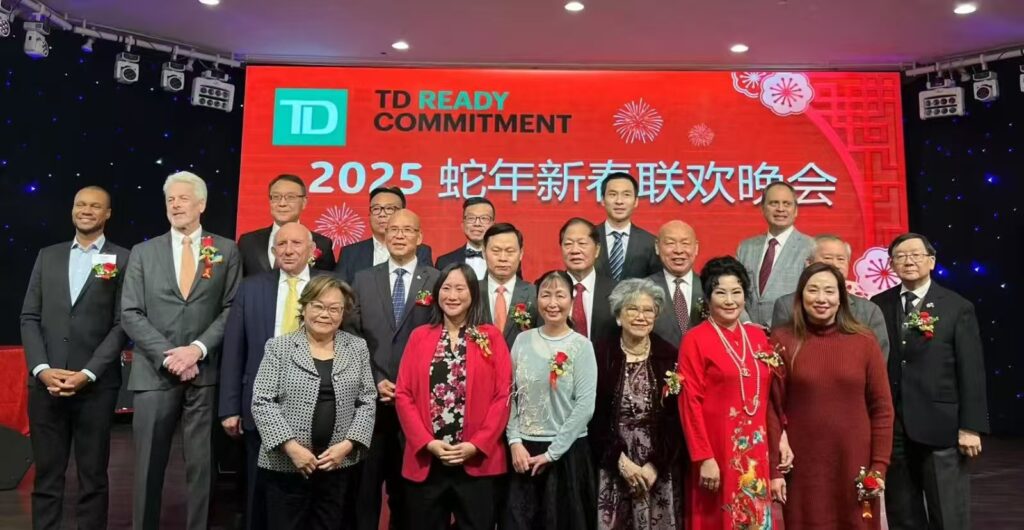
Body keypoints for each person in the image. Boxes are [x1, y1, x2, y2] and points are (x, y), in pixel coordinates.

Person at [120, 171, 241, 530]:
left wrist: (197, 350)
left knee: (202, 466)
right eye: (170, 199)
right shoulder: (143, 252)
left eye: (183, 198)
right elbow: (130, 312)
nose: (175, 205)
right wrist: (171, 355)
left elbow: (232, 308)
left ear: (201, 204)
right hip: (154, 373)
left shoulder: (225, 250)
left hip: (205, 373)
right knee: (147, 466)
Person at [19, 186, 130, 530]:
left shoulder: (123, 259)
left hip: (95, 387)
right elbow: (29, 317)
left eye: (95, 206)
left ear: (107, 214)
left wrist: (88, 373)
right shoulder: (48, 256)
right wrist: (41, 369)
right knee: (47, 477)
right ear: (72, 209)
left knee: (93, 478)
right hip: (46, 386)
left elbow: (122, 323)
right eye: (80, 204)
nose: (86, 210)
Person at [871, 233, 987, 530]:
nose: (908, 261)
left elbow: (971, 369)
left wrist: (970, 426)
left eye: (916, 255)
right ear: (891, 264)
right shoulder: (878, 304)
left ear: (931, 261)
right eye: (900, 256)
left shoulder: (956, 306)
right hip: (894, 427)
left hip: (941, 425)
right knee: (902, 513)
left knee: (948, 515)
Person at [219, 222, 329, 530]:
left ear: (312, 250)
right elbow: (235, 348)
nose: (288, 250)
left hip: (319, 408)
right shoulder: (251, 287)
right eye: (281, 244)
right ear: (273, 251)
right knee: (259, 496)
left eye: (296, 243)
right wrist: (229, 407)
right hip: (261, 406)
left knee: (313, 499)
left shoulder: (329, 285)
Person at [769, 262, 894, 528]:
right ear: (800, 296)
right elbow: (772, 407)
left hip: (854, 460)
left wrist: (879, 466)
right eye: (813, 290)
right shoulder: (781, 340)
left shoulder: (864, 341)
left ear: (841, 298)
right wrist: (773, 468)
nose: (821, 298)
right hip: (802, 464)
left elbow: (882, 408)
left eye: (829, 291)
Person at [251, 275, 377, 530]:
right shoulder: (279, 347)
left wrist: (348, 445)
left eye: (334, 308)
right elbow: (262, 401)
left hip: (337, 465)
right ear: (305, 306)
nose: (325, 314)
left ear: (343, 313)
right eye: (318, 306)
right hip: (286, 466)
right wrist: (292, 448)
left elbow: (367, 400)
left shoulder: (357, 347)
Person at [394, 264, 513, 529]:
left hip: (477, 460)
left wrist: (477, 444)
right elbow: (403, 394)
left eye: (460, 288)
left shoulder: (491, 336)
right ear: (437, 293)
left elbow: (503, 395)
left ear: (473, 293)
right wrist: (427, 443)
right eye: (446, 288)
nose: (452, 295)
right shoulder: (419, 336)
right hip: (428, 459)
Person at [348, 208, 441, 530]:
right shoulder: (363, 279)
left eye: (407, 230)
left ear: (420, 237)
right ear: (384, 235)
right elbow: (352, 336)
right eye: (393, 229)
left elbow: (438, 337)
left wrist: (407, 385)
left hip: (418, 405)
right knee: (365, 492)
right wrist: (375, 380)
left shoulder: (436, 280)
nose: (399, 235)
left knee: (410, 496)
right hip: (370, 404)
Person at [678, 256, 779, 530]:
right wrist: (703, 457)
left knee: (755, 518)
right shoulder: (695, 339)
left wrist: (780, 440)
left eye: (737, 292)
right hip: (716, 452)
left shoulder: (758, 338)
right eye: (721, 293)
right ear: (708, 297)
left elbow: (771, 397)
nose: (730, 301)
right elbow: (689, 402)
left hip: (757, 451)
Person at [504, 270, 598, 530]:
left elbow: (585, 407)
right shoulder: (522, 340)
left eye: (560, 295)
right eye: (546, 295)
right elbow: (509, 395)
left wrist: (552, 453)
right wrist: (514, 441)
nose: (552, 303)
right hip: (524, 455)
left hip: (567, 454)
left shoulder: (582, 346)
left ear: (571, 300)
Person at [591, 279, 684, 530]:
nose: (641, 317)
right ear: (618, 316)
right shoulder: (601, 354)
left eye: (648, 310)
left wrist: (655, 465)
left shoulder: (669, 355)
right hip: (614, 459)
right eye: (632, 309)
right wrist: (621, 462)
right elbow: (594, 416)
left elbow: (675, 418)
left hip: (657, 463)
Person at [771, 234, 890, 359]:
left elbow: (879, 359)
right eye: (827, 258)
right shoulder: (786, 305)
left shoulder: (869, 311)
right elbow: (779, 355)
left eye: (841, 259)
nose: (835, 265)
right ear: (809, 263)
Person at [736, 182, 813, 327]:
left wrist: (770, 327)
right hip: (747, 332)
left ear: (796, 210)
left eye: (787, 204)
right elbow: (734, 289)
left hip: (790, 331)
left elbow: (810, 295)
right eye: (774, 203)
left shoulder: (810, 247)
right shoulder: (746, 248)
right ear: (763, 209)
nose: (780, 209)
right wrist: (747, 323)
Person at [237, 174, 337, 276]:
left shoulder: (322, 244)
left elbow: (329, 281)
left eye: (290, 197)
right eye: (276, 197)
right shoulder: (248, 242)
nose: (282, 203)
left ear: (304, 202)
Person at [335, 186, 432, 285]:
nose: (382, 214)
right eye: (376, 209)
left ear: (403, 213)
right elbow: (338, 288)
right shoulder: (350, 253)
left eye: (389, 208)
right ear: (369, 214)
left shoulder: (421, 251)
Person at [480, 222, 540, 349]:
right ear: (484, 252)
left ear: (521, 253)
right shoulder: (471, 292)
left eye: (510, 251)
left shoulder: (534, 294)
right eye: (496, 251)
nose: (503, 258)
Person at [646, 220, 705, 349]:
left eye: (685, 243)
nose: (678, 250)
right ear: (657, 247)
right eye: (670, 243)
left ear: (696, 248)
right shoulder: (643, 289)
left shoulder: (709, 288)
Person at [560, 217, 617, 349]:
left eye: (582, 243)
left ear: (597, 250)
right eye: (568, 244)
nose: (575, 250)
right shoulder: (546, 290)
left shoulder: (616, 291)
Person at [594, 172, 660, 281]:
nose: (619, 201)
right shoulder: (589, 237)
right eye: (612, 194)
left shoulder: (650, 242)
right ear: (602, 200)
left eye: (626, 195)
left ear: (636, 201)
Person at [434, 197, 495, 280]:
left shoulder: (505, 260)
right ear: (463, 225)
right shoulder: (444, 262)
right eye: (471, 218)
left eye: (484, 218)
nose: (477, 224)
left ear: (493, 225)